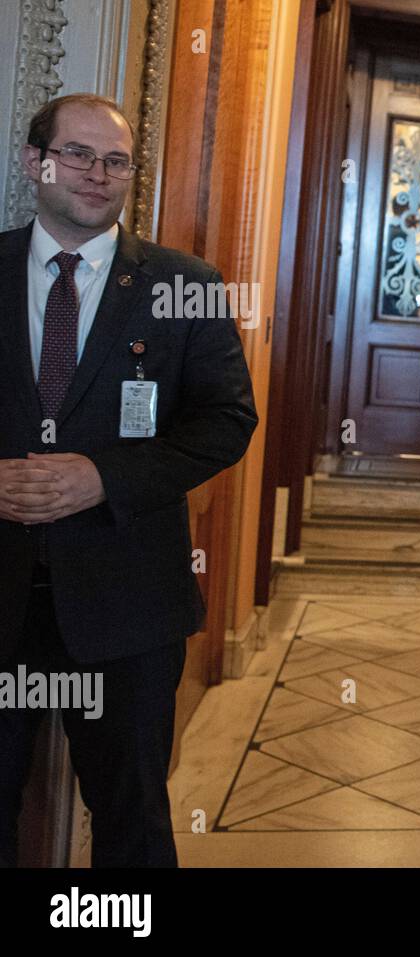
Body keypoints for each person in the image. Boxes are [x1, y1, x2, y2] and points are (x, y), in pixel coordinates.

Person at [0, 94, 258, 866]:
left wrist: (103, 477)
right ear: (34, 161)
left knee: (132, 822)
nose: (96, 174)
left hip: (128, 607)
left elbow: (226, 421)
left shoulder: (185, 284)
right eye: (76, 153)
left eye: (115, 161)